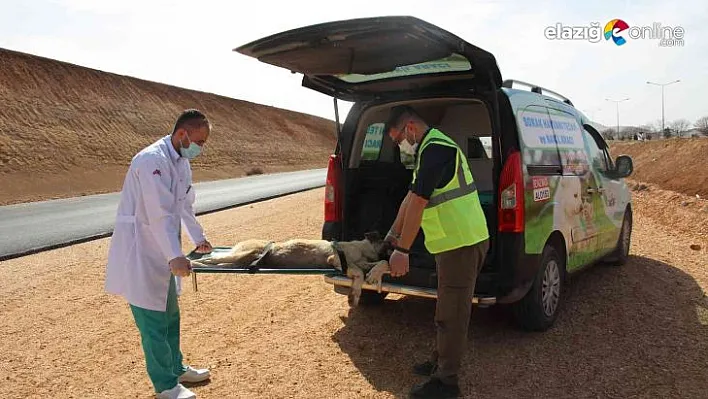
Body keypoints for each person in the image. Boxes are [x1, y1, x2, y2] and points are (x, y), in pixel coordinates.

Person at [105, 109, 214, 399]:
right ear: (183, 135)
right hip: (141, 249)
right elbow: (158, 213)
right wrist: (173, 256)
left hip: (164, 249)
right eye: (199, 142)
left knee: (169, 316)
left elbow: (183, 207)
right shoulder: (152, 160)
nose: (200, 148)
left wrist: (199, 238)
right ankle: (165, 385)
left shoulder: (180, 162)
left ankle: (176, 368)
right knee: (153, 323)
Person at [383, 106, 490, 399]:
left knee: (452, 314)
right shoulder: (427, 150)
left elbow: (418, 202)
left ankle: (447, 382)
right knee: (446, 306)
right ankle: (440, 361)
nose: (399, 147)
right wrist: (392, 236)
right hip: (451, 244)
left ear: (410, 128)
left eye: (398, 140)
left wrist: (403, 250)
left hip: (463, 244)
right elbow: (409, 198)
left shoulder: (436, 149)